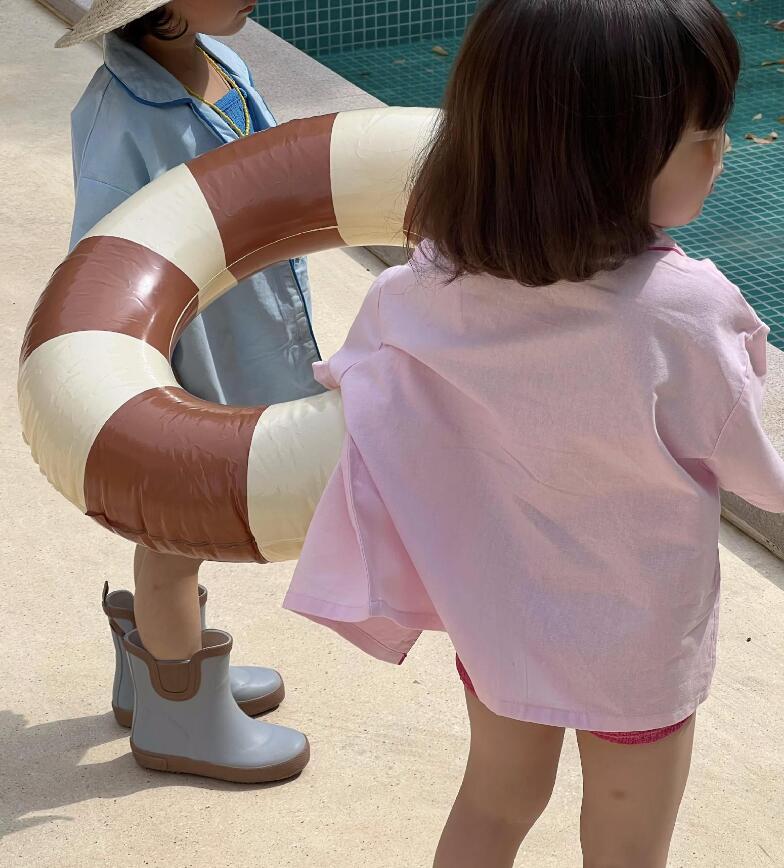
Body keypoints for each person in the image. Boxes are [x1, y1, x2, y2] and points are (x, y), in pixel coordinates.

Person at [283, 0, 784, 862]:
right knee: (626, 845)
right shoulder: (684, 313)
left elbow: (355, 376)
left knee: (494, 800)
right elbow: (757, 471)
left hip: (499, 620)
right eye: (703, 134)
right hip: (634, 647)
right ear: (606, 159)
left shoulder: (423, 288)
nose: (723, 150)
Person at [59, 0, 318, 782]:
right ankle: (179, 715)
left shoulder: (219, 61)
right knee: (175, 535)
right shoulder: (118, 117)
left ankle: (157, 667)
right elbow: (101, 270)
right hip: (181, 361)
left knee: (184, 534)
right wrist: (144, 388)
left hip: (236, 326)